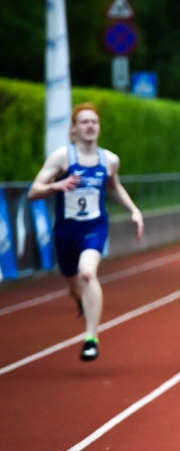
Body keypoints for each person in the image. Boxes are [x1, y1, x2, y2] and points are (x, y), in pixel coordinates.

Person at [28, 103, 143, 361]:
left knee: (87, 273)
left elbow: (114, 187)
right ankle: (80, 301)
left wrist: (134, 210)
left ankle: (91, 338)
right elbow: (33, 191)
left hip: (94, 226)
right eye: (84, 122)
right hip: (66, 231)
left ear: (99, 128)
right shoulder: (63, 157)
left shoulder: (109, 160)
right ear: (73, 130)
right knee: (72, 282)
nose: (90, 126)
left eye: (94, 122)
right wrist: (57, 186)